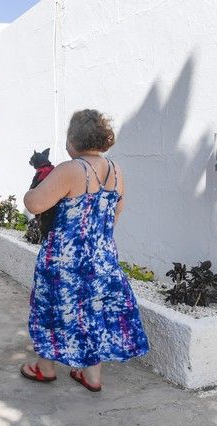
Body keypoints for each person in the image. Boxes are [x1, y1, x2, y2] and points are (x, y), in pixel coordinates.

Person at [20, 109, 149, 391]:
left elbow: (35, 205)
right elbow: (115, 213)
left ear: (73, 140)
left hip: (64, 259)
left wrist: (34, 187)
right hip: (102, 257)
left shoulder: (70, 169)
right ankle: (91, 376)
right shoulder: (116, 171)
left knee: (50, 309)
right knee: (94, 312)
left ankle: (44, 368)